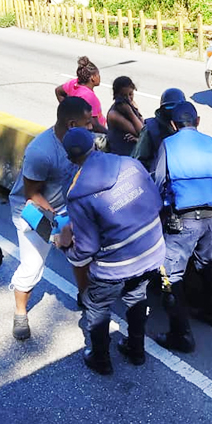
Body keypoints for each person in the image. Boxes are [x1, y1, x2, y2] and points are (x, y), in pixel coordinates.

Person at [56, 127, 165, 376]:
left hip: (115, 266)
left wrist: (65, 247)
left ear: (71, 159)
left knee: (97, 305)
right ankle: (136, 350)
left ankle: (101, 359)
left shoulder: (78, 194)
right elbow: (156, 202)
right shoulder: (129, 163)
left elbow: (87, 248)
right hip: (151, 250)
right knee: (137, 296)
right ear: (95, 145)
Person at [153, 101, 212, 352]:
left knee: (171, 276)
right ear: (198, 121)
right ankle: (211, 312)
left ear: (173, 125)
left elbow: (157, 181)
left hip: (183, 218)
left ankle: (181, 335)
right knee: (207, 265)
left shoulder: (168, 144)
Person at [8, 96, 93, 341]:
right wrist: (58, 228)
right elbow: (32, 194)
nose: (92, 127)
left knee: (81, 255)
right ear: (71, 124)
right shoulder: (41, 151)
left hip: (64, 206)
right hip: (33, 210)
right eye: (88, 123)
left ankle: (84, 295)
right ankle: (20, 312)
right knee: (33, 266)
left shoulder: (81, 140)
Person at [131, 87, 186, 172]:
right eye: (169, 108)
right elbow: (139, 160)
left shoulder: (186, 126)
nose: (172, 111)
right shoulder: (151, 128)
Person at [55, 56, 107, 133]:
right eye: (98, 75)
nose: (99, 77)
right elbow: (95, 124)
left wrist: (67, 110)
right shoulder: (89, 97)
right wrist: (108, 134)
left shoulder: (74, 83)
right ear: (93, 77)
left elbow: (58, 91)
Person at [106, 76, 144, 156]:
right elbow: (142, 133)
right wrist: (130, 113)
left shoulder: (131, 104)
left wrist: (137, 140)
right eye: (124, 96)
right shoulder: (114, 115)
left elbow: (143, 126)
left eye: (130, 94)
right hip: (121, 156)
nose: (128, 98)